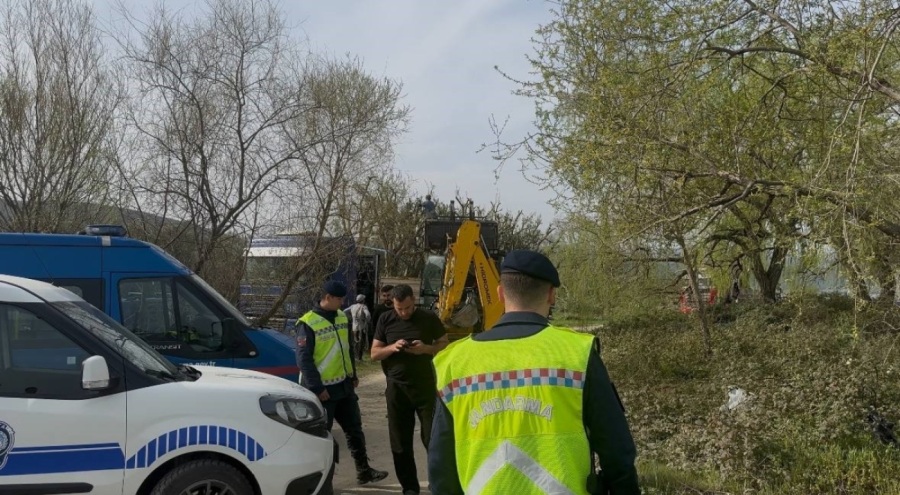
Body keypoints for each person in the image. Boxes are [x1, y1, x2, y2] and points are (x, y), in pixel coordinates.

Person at [428, 250, 641, 495]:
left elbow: (440, 465)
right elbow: (617, 449)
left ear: (500, 293)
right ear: (552, 295)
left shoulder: (455, 362)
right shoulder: (576, 354)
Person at [295, 280, 388, 486]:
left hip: (344, 386)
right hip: (322, 392)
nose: (342, 302)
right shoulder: (308, 323)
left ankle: (364, 471)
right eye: (339, 299)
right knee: (321, 439)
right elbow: (304, 360)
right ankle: (321, 482)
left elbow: (345, 349)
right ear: (327, 298)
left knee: (355, 430)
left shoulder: (341, 316)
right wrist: (318, 388)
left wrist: (353, 374)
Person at [371, 284, 449, 495]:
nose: (404, 312)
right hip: (397, 389)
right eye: (399, 309)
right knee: (400, 442)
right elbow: (374, 353)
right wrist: (392, 347)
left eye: (407, 307)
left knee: (432, 439)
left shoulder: (428, 318)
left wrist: (426, 349)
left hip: (424, 387)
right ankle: (410, 488)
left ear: (413, 301)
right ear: (393, 304)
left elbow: (444, 344)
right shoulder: (385, 319)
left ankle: (437, 483)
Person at [347, 294, 372, 360]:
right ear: (363, 300)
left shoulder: (352, 306)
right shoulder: (364, 307)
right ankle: (359, 357)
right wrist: (367, 321)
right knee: (361, 342)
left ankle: (354, 356)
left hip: (354, 328)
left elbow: (344, 311)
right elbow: (368, 315)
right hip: (361, 328)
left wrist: (351, 318)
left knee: (354, 342)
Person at [371, 284, 394, 349]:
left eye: (389, 295)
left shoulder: (399, 308)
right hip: (383, 341)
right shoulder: (378, 309)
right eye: (384, 296)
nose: (386, 298)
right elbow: (373, 324)